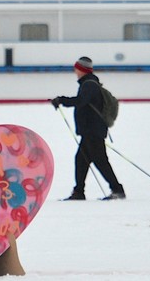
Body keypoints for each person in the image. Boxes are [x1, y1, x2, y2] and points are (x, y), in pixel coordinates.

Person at [51, 56, 125, 201]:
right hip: (90, 131)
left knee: (100, 161)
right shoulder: (88, 83)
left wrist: (61, 100)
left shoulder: (89, 85)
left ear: (81, 69)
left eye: (76, 68)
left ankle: (117, 189)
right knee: (81, 160)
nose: (75, 70)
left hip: (93, 131)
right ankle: (79, 192)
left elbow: (81, 101)